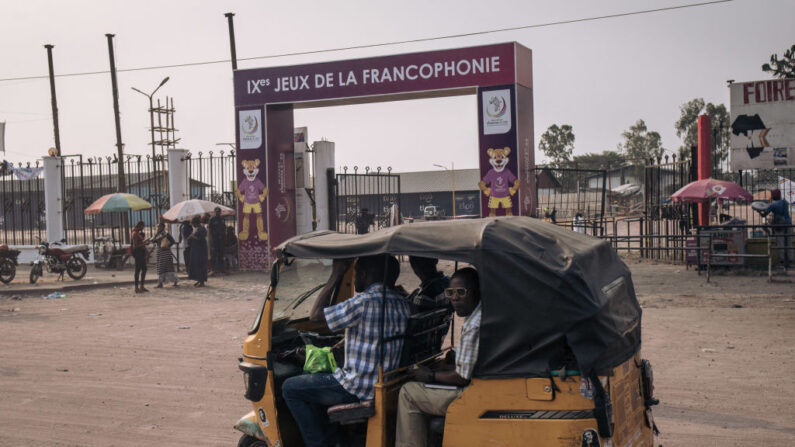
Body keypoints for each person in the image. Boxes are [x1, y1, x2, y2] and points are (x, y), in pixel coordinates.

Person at [282, 254, 410, 447]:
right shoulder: (401, 303)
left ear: (366, 274)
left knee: (290, 388)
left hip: (356, 388)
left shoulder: (363, 302)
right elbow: (374, 333)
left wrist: (335, 275)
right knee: (316, 380)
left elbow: (316, 315)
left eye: (356, 272)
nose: (354, 277)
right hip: (382, 383)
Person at [395, 267, 482, 447]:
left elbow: (462, 377)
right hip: (477, 385)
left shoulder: (475, 324)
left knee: (408, 392)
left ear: (475, 293)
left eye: (461, 292)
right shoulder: (476, 315)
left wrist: (430, 376)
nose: (454, 298)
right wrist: (445, 366)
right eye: (450, 292)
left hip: (470, 393)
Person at [764, 188, 793, 267]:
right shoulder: (785, 202)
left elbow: (765, 213)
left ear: (773, 196)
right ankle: (790, 261)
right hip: (789, 224)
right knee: (789, 243)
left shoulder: (773, 205)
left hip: (779, 226)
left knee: (780, 243)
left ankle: (782, 262)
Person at [151, 222, 178, 288]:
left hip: (165, 252)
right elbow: (152, 240)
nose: (158, 228)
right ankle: (173, 281)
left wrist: (168, 246)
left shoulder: (166, 234)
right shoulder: (157, 234)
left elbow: (172, 241)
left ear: (163, 227)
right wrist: (156, 234)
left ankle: (161, 283)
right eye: (158, 227)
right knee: (163, 267)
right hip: (160, 252)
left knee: (164, 267)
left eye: (159, 227)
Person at [187, 216, 208, 287]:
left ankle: (202, 281)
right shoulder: (196, 229)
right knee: (196, 264)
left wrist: (193, 237)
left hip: (201, 250)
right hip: (195, 249)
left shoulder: (202, 229)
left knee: (200, 265)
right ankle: (199, 279)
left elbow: (201, 239)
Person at [131, 221, 148, 294]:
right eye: (143, 226)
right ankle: (136, 287)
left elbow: (140, 243)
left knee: (144, 269)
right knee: (137, 270)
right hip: (138, 253)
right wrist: (144, 243)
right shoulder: (135, 233)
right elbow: (135, 246)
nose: (143, 228)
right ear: (140, 226)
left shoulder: (137, 233)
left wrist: (144, 243)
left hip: (141, 253)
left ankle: (141, 286)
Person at [208, 207, 226, 275]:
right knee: (214, 255)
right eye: (217, 211)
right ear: (214, 212)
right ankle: (213, 269)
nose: (218, 213)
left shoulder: (222, 219)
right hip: (214, 240)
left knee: (221, 255)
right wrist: (211, 239)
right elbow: (209, 229)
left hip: (221, 240)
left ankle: (221, 269)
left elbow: (224, 229)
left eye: (219, 211)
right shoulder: (212, 219)